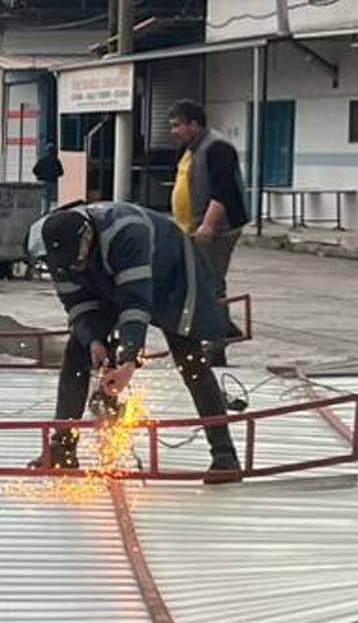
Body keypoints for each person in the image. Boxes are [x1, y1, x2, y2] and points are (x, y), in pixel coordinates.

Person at [30, 200, 242, 474]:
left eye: (78, 260)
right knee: (76, 353)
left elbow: (134, 302)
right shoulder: (53, 250)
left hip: (171, 274)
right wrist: (94, 340)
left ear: (87, 237)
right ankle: (62, 448)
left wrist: (129, 361)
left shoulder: (128, 232)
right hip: (107, 276)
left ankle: (225, 456)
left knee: (190, 359)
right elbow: (76, 304)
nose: (74, 267)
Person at [165, 99, 248, 314]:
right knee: (191, 279)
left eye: (177, 125)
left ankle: (218, 329)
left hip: (217, 230)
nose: (173, 131)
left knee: (210, 280)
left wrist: (209, 225)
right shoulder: (189, 148)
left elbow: (223, 191)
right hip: (191, 227)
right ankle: (203, 323)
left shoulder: (217, 147)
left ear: (194, 124)